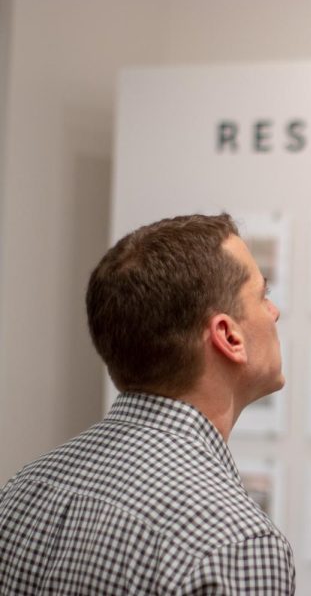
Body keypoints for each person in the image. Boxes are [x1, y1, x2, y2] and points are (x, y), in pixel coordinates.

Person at [0, 214, 294, 594]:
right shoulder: (233, 542)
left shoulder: (25, 489)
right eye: (262, 295)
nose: (274, 312)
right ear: (228, 336)